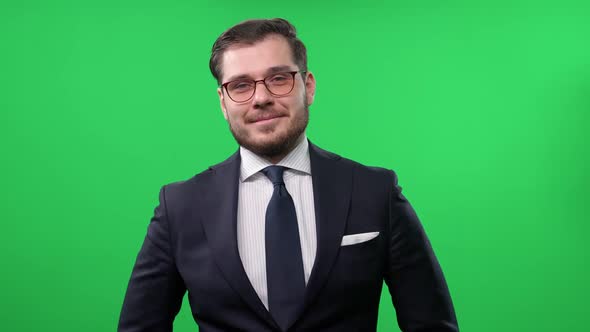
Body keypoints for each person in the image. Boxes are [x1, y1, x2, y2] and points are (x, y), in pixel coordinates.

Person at [118, 18, 459, 332]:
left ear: (308, 87)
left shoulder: (375, 192)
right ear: (223, 103)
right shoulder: (180, 207)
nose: (261, 98)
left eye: (279, 78)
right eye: (240, 85)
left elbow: (432, 325)